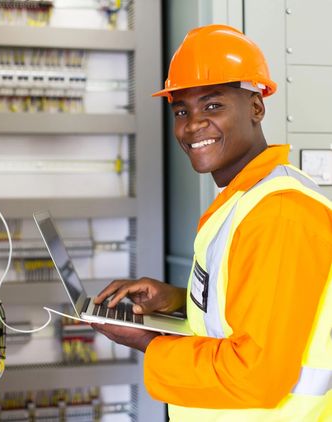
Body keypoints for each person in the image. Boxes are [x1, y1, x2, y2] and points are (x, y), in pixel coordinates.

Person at [91, 25, 332, 421]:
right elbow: (247, 314)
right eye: (181, 110)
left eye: (213, 105)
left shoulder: (281, 214)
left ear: (256, 107)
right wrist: (176, 300)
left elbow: (256, 375)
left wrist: (151, 343)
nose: (192, 125)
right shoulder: (243, 200)